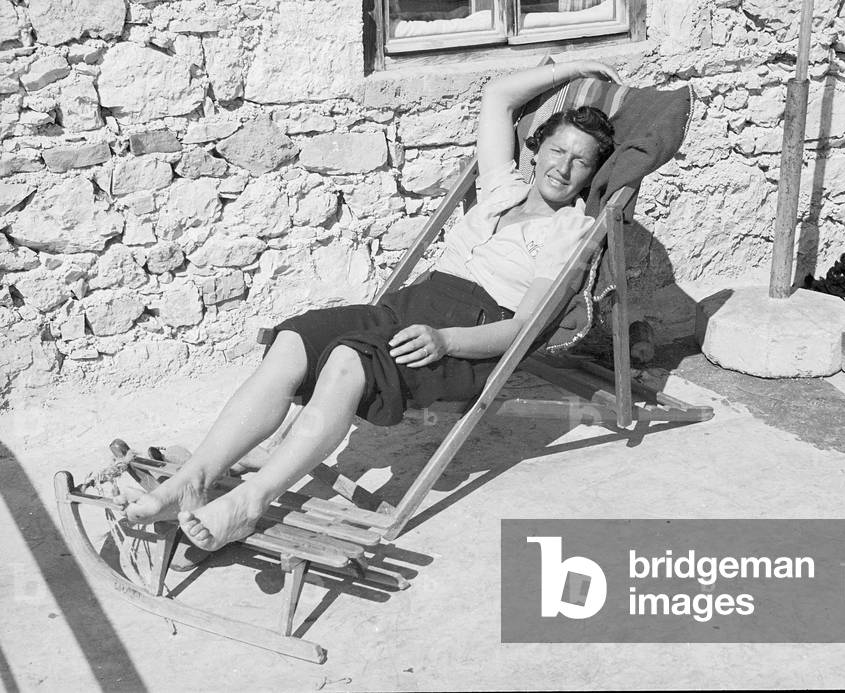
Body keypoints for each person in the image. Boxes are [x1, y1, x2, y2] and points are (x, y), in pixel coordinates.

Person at [115, 60, 621, 551]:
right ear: (538, 150)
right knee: (295, 339)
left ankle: (251, 502)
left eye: (581, 160)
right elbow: (497, 97)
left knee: (348, 358)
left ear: (592, 173)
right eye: (557, 149)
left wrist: (446, 340)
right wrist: (571, 69)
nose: (564, 167)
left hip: (464, 341)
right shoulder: (501, 186)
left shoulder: (569, 231)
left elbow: (526, 327)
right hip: (409, 308)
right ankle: (193, 480)